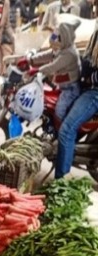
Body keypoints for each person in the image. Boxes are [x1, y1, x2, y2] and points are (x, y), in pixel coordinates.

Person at [55, 26, 98, 178]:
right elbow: (88, 59)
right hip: (87, 86)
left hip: (94, 92)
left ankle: (61, 183)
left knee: (66, 130)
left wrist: (88, 77)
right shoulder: (96, 32)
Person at [32, 20, 81, 120]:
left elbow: (53, 66)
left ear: (64, 39)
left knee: (59, 110)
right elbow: (50, 53)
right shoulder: (62, 48)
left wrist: (37, 70)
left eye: (55, 45)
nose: (53, 48)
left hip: (70, 89)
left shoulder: (69, 54)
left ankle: (62, 132)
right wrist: (32, 59)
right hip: (62, 86)